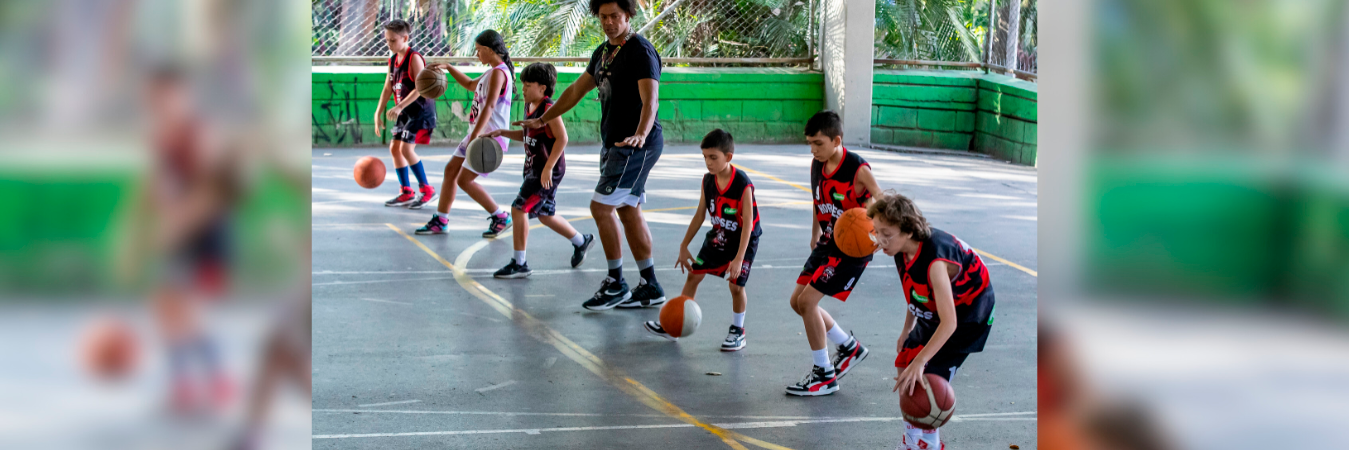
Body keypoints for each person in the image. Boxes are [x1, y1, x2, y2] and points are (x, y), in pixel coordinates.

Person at [514, 0, 666, 310]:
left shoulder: (641, 51)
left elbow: (651, 100)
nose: (609, 22)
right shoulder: (602, 53)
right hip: (615, 144)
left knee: (600, 208)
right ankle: (650, 285)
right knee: (626, 210)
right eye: (603, 16)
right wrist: (542, 120)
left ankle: (616, 283)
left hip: (636, 144)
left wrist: (640, 132)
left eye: (615, 16)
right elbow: (574, 91)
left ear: (628, 15)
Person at [868, 192, 995, 450]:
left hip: (969, 315)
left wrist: (922, 360)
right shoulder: (900, 250)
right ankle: (914, 440)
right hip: (938, 310)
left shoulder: (936, 261)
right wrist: (907, 329)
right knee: (905, 365)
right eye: (876, 231)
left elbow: (950, 323)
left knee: (929, 381)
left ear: (908, 231)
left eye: (886, 233)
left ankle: (929, 444)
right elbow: (915, 290)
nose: (879, 239)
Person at [785, 111, 884, 397]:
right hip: (829, 240)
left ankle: (824, 374)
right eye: (810, 144)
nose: (813, 150)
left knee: (807, 302)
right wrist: (815, 230)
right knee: (797, 301)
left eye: (818, 143)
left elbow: (883, 200)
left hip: (853, 248)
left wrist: (884, 234)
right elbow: (818, 199)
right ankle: (849, 347)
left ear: (836, 140)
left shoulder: (857, 169)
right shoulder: (817, 164)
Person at [645, 130, 760, 351]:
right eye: (705, 157)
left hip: (743, 239)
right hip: (719, 235)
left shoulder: (742, 183)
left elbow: (748, 225)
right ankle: (674, 325)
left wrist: (738, 259)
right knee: (693, 274)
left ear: (728, 157)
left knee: (736, 287)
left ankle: (738, 331)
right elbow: (700, 215)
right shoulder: (708, 180)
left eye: (713, 157)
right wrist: (684, 244)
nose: (708, 162)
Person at [483, 63, 595, 278]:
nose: (522, 89)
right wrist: (503, 132)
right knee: (545, 214)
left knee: (518, 209)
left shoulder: (548, 110)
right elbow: (528, 136)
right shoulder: (530, 106)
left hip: (546, 170)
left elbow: (562, 138)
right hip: (535, 168)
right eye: (522, 85)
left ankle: (520, 263)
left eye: (527, 85)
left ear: (542, 88)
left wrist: (548, 169)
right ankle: (582, 241)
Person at [415, 29, 516, 237]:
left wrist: (475, 138)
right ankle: (441, 219)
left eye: (479, 50)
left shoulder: (499, 72)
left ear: (489, 50)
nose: (476, 54)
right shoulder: (492, 71)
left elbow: (488, 107)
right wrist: (450, 68)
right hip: (477, 134)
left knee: (464, 180)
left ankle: (500, 216)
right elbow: (471, 84)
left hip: (488, 138)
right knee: (451, 170)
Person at [375, 19, 436, 209]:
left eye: (393, 40)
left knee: (406, 150)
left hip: (420, 111)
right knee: (395, 148)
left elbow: (420, 88)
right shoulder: (393, 59)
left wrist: (399, 106)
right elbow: (387, 87)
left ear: (405, 38)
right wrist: (378, 112)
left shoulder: (414, 58)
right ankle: (406, 192)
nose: (389, 44)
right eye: (387, 40)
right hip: (405, 111)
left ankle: (427, 190)